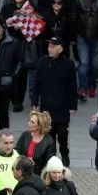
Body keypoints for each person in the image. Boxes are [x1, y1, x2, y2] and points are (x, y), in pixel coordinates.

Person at [30, 37, 78, 165]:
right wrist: (34, 101)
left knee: (62, 134)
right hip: (46, 106)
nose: (50, 49)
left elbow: (72, 86)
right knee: (48, 134)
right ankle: (50, 158)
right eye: (49, 47)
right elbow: (37, 83)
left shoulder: (68, 64)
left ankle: (64, 154)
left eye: (53, 47)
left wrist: (73, 105)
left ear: (60, 49)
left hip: (62, 106)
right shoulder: (42, 62)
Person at [15, 112, 56, 177]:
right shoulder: (25, 134)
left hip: (38, 176)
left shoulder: (49, 141)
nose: (29, 123)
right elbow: (16, 152)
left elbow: (48, 164)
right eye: (29, 121)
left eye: (32, 122)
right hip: (21, 173)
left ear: (40, 126)